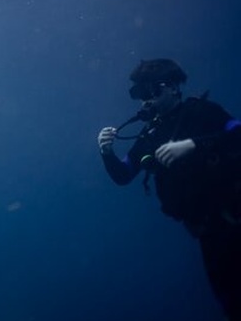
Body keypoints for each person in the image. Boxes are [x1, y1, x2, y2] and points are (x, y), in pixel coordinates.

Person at [97, 59, 241, 320]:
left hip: (235, 215)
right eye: (139, 94)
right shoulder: (148, 136)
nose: (145, 101)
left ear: (173, 87)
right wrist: (107, 153)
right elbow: (124, 174)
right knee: (231, 301)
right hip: (207, 234)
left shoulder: (202, 112)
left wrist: (193, 145)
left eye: (151, 91)